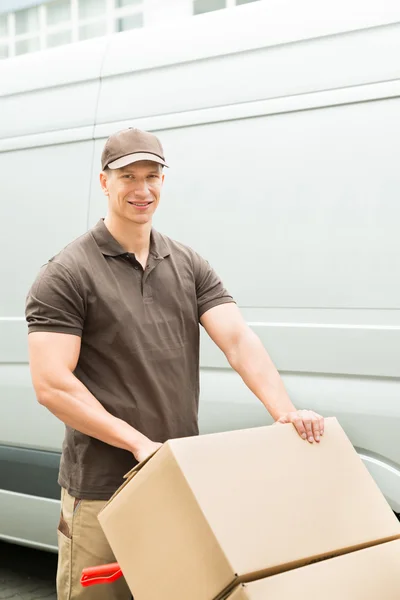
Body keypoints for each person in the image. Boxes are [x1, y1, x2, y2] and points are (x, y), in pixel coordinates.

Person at [25, 128, 324, 600]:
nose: (142, 189)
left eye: (152, 176)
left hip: (178, 480)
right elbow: (52, 384)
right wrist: (139, 444)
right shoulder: (67, 272)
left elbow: (239, 341)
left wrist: (283, 411)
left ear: (164, 181)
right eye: (128, 176)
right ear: (104, 182)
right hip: (103, 489)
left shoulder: (187, 263)